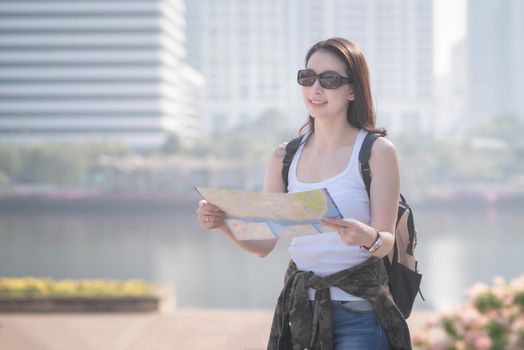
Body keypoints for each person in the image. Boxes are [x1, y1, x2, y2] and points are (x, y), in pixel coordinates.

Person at [196, 38, 411, 350]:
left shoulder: (376, 151)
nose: (315, 89)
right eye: (307, 78)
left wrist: (365, 236)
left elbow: (385, 242)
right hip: (302, 312)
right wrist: (221, 223)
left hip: (361, 314)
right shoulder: (284, 156)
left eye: (330, 80)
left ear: (353, 90)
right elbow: (263, 243)